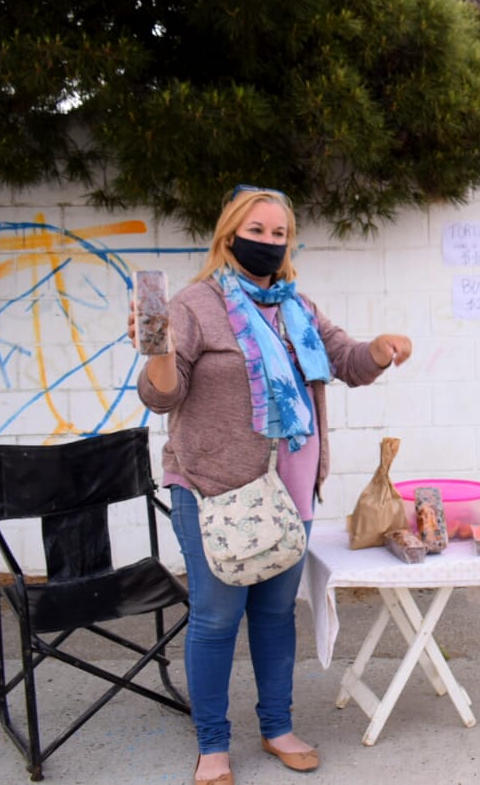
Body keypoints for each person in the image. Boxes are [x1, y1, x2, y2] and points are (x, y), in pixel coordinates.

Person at [131, 185, 412, 785]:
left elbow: (347, 360)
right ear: (229, 233)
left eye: (278, 233)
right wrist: (157, 350)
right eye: (255, 230)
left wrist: (381, 349)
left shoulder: (297, 307)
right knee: (215, 617)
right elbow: (163, 395)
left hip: (291, 488)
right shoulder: (193, 305)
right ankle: (212, 745)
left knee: (277, 613)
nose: (267, 241)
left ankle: (277, 726)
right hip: (215, 489)